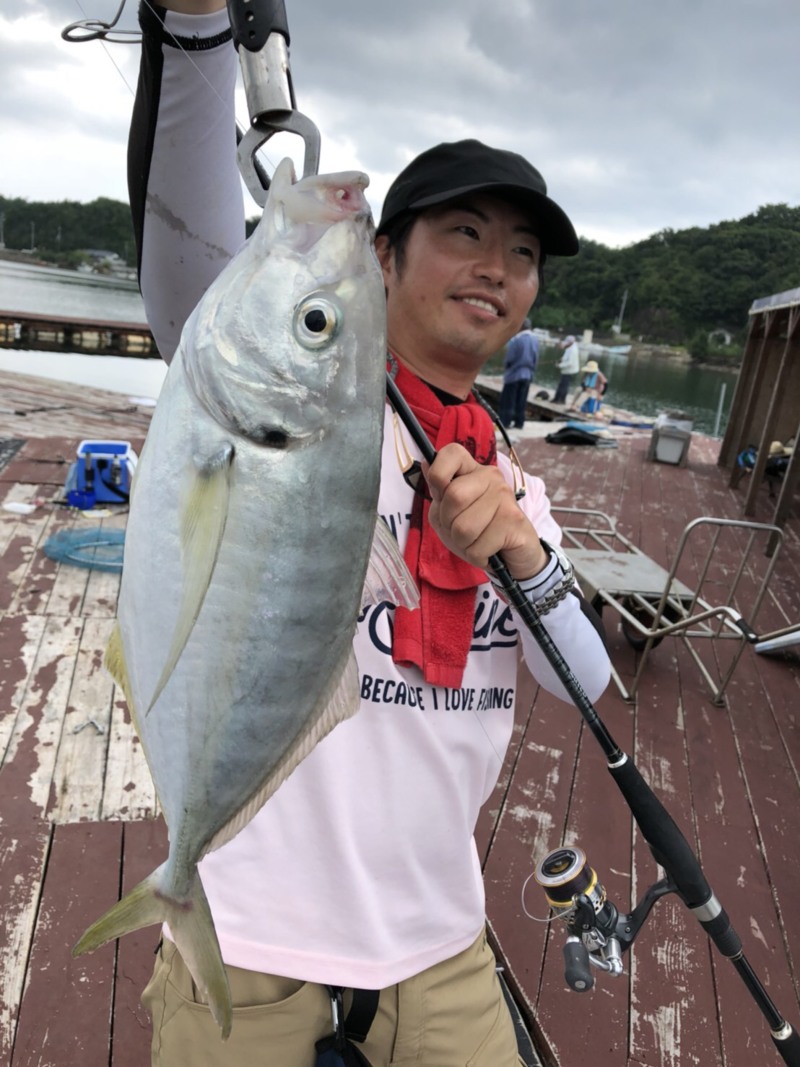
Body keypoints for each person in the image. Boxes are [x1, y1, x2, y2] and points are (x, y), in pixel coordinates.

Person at [128, 5, 610, 1065]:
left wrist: (522, 552)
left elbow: (588, 680)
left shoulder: (511, 485)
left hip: (440, 953)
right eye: (465, 233)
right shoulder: (289, 412)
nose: (495, 266)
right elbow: (186, 250)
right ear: (383, 258)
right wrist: (204, 30)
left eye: (521, 252)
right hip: (250, 944)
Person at [497, 318, 539, 429]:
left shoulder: (517, 340)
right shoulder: (535, 340)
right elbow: (535, 358)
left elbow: (510, 359)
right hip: (528, 374)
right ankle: (519, 422)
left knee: (509, 399)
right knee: (522, 400)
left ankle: (505, 422)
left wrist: (506, 367)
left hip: (514, 375)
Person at [552, 334, 580, 404]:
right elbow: (566, 356)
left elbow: (569, 363)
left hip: (569, 371)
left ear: (570, 342)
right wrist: (561, 359)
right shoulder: (570, 347)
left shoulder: (573, 350)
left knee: (563, 386)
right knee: (562, 385)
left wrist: (559, 365)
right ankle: (558, 399)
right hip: (567, 370)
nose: (565, 344)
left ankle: (560, 400)